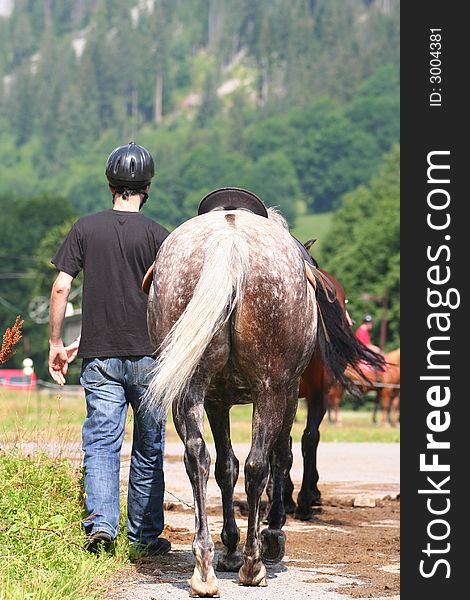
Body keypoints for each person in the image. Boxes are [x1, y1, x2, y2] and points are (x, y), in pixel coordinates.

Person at [48, 141, 171, 555]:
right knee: (149, 443)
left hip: (99, 358)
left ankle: (101, 526)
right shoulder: (158, 236)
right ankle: (144, 536)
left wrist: (57, 344)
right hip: (151, 359)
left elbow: (62, 285)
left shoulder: (85, 228)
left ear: (109, 184)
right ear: (147, 186)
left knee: (102, 442)